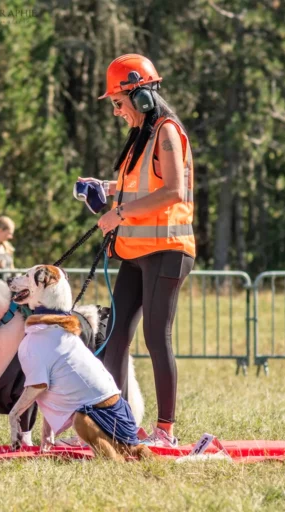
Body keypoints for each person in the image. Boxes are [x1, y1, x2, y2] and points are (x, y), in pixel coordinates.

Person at [81, 54, 195, 448]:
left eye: (118, 102)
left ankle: (165, 431)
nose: (116, 111)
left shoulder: (165, 130)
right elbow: (142, 185)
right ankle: (121, 426)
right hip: (136, 249)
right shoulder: (142, 136)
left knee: (155, 336)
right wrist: (106, 188)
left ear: (141, 96)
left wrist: (119, 214)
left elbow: (174, 191)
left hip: (168, 248)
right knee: (114, 336)